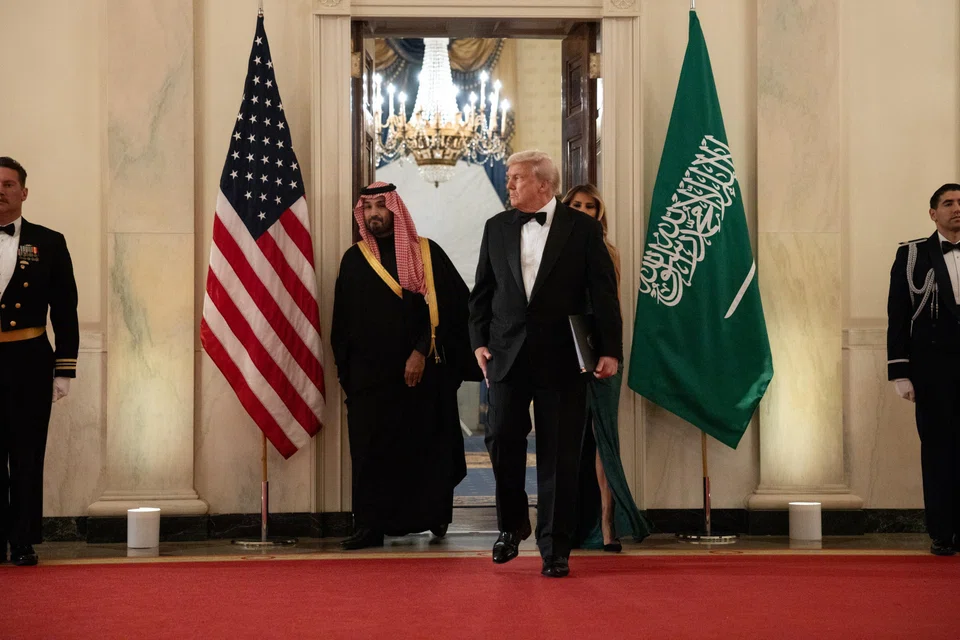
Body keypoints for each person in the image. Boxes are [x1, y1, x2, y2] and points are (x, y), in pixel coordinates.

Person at [468, 151, 622, 578]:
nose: (510, 185)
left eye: (517, 179)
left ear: (544, 185)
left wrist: (608, 350)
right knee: (500, 439)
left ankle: (555, 549)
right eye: (511, 179)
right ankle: (512, 525)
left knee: (559, 456)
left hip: (563, 358)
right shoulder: (495, 228)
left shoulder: (584, 230)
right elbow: (482, 291)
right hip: (506, 356)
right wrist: (478, 341)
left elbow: (603, 295)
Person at [331, 182, 481, 550]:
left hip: (422, 377)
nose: (374, 214)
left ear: (396, 210)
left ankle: (432, 515)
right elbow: (343, 322)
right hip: (371, 381)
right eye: (368, 209)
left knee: (425, 446)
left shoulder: (426, 255)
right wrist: (347, 374)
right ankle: (370, 526)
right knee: (371, 452)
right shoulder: (354, 259)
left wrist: (420, 352)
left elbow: (454, 309)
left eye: (381, 207)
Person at [561, 184, 651, 552]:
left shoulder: (608, 251)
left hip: (601, 352)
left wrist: (608, 353)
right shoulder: (554, 249)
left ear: (600, 213)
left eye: (590, 206)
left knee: (604, 438)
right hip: (563, 352)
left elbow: (610, 308)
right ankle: (567, 524)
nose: (583, 210)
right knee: (567, 438)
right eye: (576, 205)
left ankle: (607, 521)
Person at [0, 157, 78, 566]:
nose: (1, 191)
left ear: (24, 192)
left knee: (27, 453)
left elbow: (65, 309)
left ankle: (23, 540)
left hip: (28, 358)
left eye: (9, 184)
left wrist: (64, 369)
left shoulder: (49, 241)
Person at [887, 183, 960, 556]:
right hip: (933, 371)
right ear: (933, 214)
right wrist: (901, 371)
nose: (956, 208)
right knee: (938, 452)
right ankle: (942, 533)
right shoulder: (912, 254)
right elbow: (898, 316)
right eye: (948, 203)